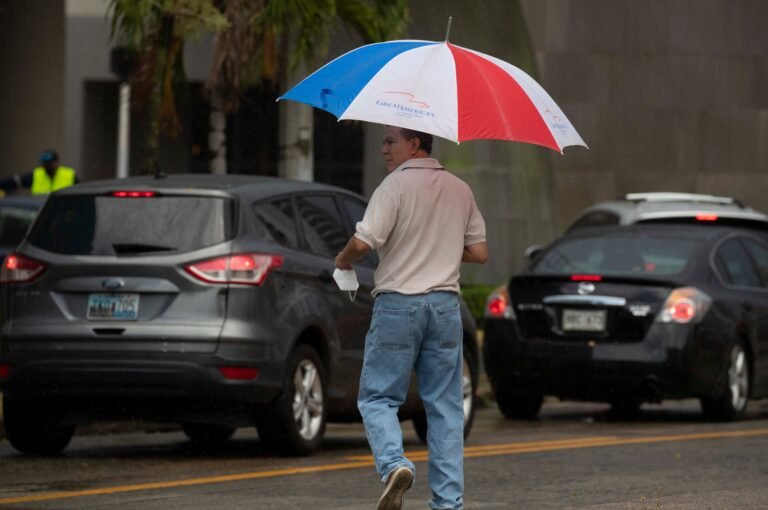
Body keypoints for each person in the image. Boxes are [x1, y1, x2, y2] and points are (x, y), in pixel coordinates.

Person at [335, 126, 488, 510]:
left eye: (390, 141)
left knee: (377, 398)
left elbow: (363, 242)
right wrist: (440, 246)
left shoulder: (393, 187)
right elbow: (480, 252)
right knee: (446, 408)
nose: (384, 149)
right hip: (444, 308)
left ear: (415, 143)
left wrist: (342, 260)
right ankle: (448, 504)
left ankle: (393, 465)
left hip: (399, 305)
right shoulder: (459, 189)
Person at [0, 150, 78, 195]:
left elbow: (80, 190)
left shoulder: (69, 174)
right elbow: (14, 182)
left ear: (57, 162)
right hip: (40, 211)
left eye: (50, 163)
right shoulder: (37, 174)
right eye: (45, 163)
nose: (47, 166)